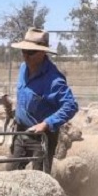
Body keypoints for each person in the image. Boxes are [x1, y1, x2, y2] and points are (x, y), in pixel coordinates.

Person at [9, 27, 78, 174]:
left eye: (31, 52)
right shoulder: (23, 68)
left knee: (39, 180)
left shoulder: (54, 79)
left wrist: (47, 123)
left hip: (40, 138)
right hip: (20, 132)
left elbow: (71, 105)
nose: (25, 56)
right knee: (11, 174)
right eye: (23, 51)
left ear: (42, 53)